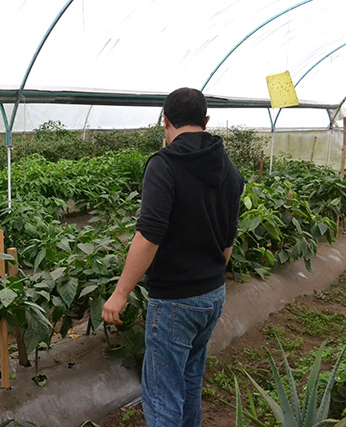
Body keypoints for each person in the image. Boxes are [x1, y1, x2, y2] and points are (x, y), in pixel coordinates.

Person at [102, 87, 244, 427]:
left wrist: (120, 293)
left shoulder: (164, 166)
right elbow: (229, 239)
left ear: (165, 121)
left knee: (163, 395)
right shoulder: (230, 170)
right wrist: (209, 278)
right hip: (213, 295)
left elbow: (149, 235)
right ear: (206, 121)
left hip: (176, 302)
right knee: (190, 382)